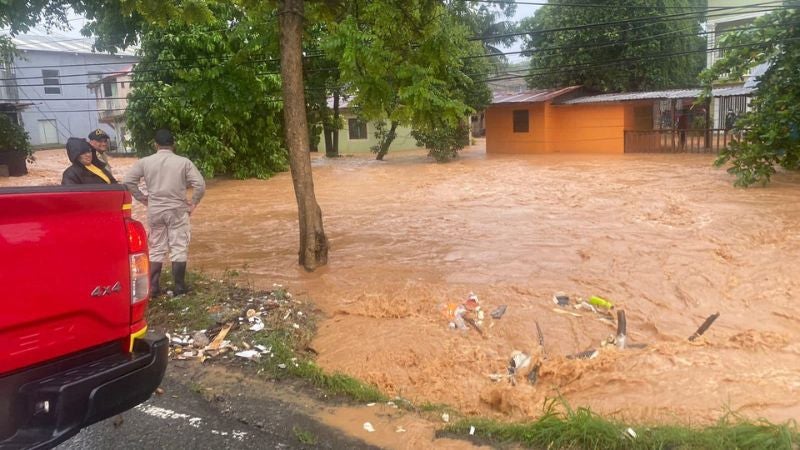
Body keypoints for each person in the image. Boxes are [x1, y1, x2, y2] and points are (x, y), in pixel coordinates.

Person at [123, 129, 206, 296]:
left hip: (155, 210)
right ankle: (180, 287)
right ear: (173, 145)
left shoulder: (145, 162)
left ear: (156, 145)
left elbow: (128, 181)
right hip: (177, 210)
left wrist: (142, 198)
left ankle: (153, 288)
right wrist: (193, 203)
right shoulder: (183, 162)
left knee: (156, 248)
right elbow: (200, 185)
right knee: (179, 247)